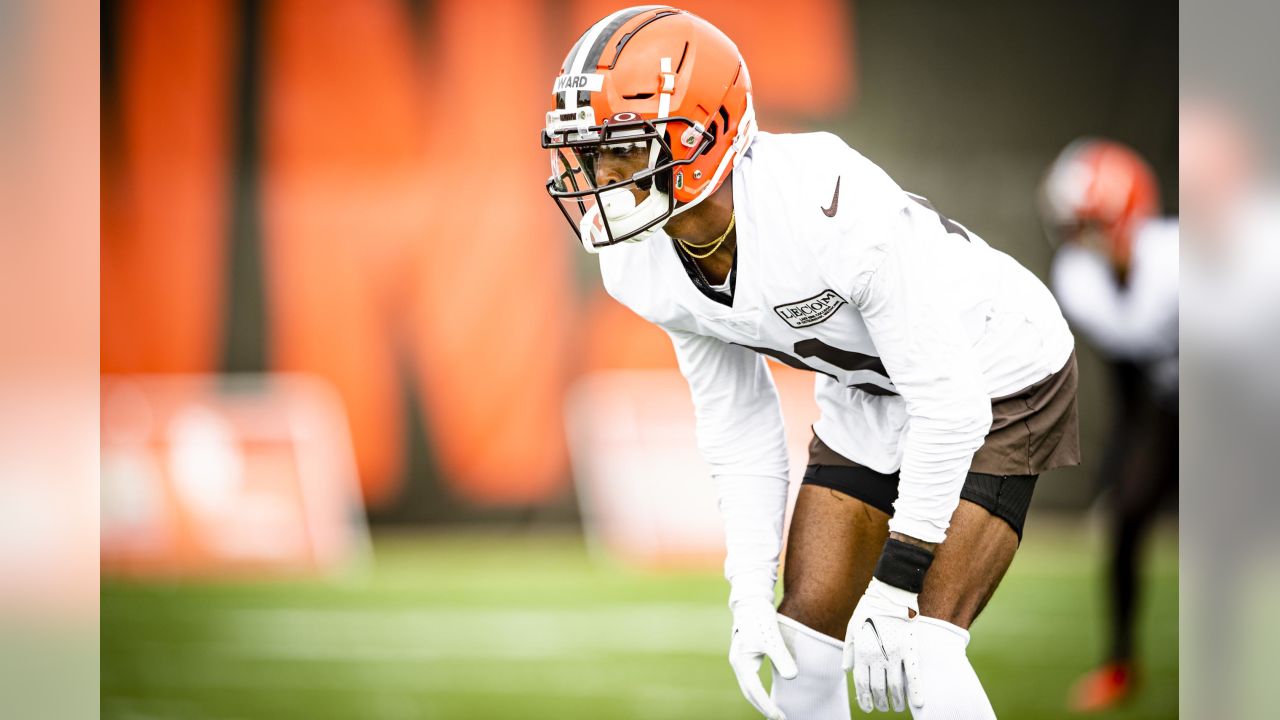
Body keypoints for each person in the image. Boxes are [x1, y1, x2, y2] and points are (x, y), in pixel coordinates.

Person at [542, 7, 1079, 718]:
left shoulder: (826, 209)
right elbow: (738, 427)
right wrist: (746, 591)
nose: (601, 178)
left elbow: (952, 405)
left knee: (921, 651)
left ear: (702, 135)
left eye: (623, 151)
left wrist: (897, 584)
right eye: (589, 154)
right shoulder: (638, 264)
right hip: (869, 389)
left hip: (996, 368)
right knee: (800, 657)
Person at [1040, 139, 1179, 711]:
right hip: (1156, 403)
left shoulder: (1180, 258)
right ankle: (1121, 663)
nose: (1082, 239)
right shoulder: (1078, 276)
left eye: (1091, 223)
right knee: (1123, 521)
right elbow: (1129, 361)